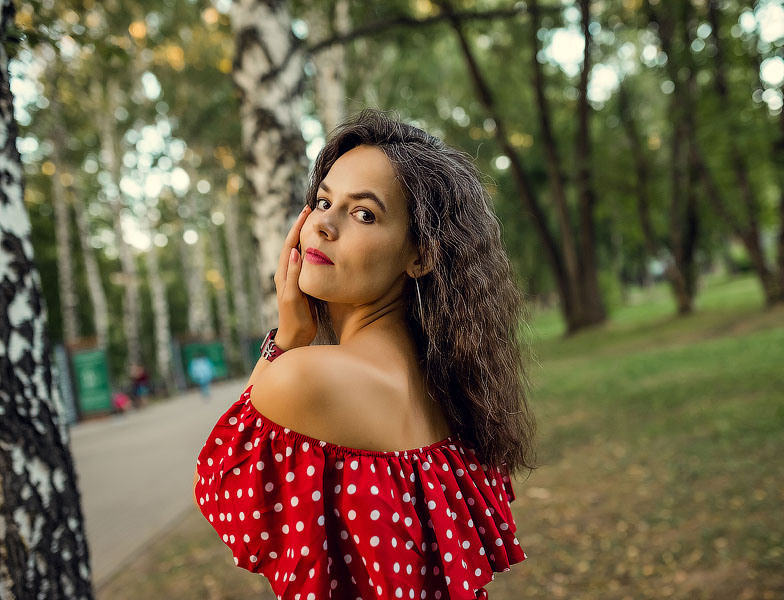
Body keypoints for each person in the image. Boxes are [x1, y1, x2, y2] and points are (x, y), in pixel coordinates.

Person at [192, 108, 538, 599]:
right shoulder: (452, 387)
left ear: (421, 254)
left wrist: (286, 339)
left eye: (363, 213)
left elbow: (222, 483)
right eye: (322, 201)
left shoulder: (303, 379)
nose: (323, 226)